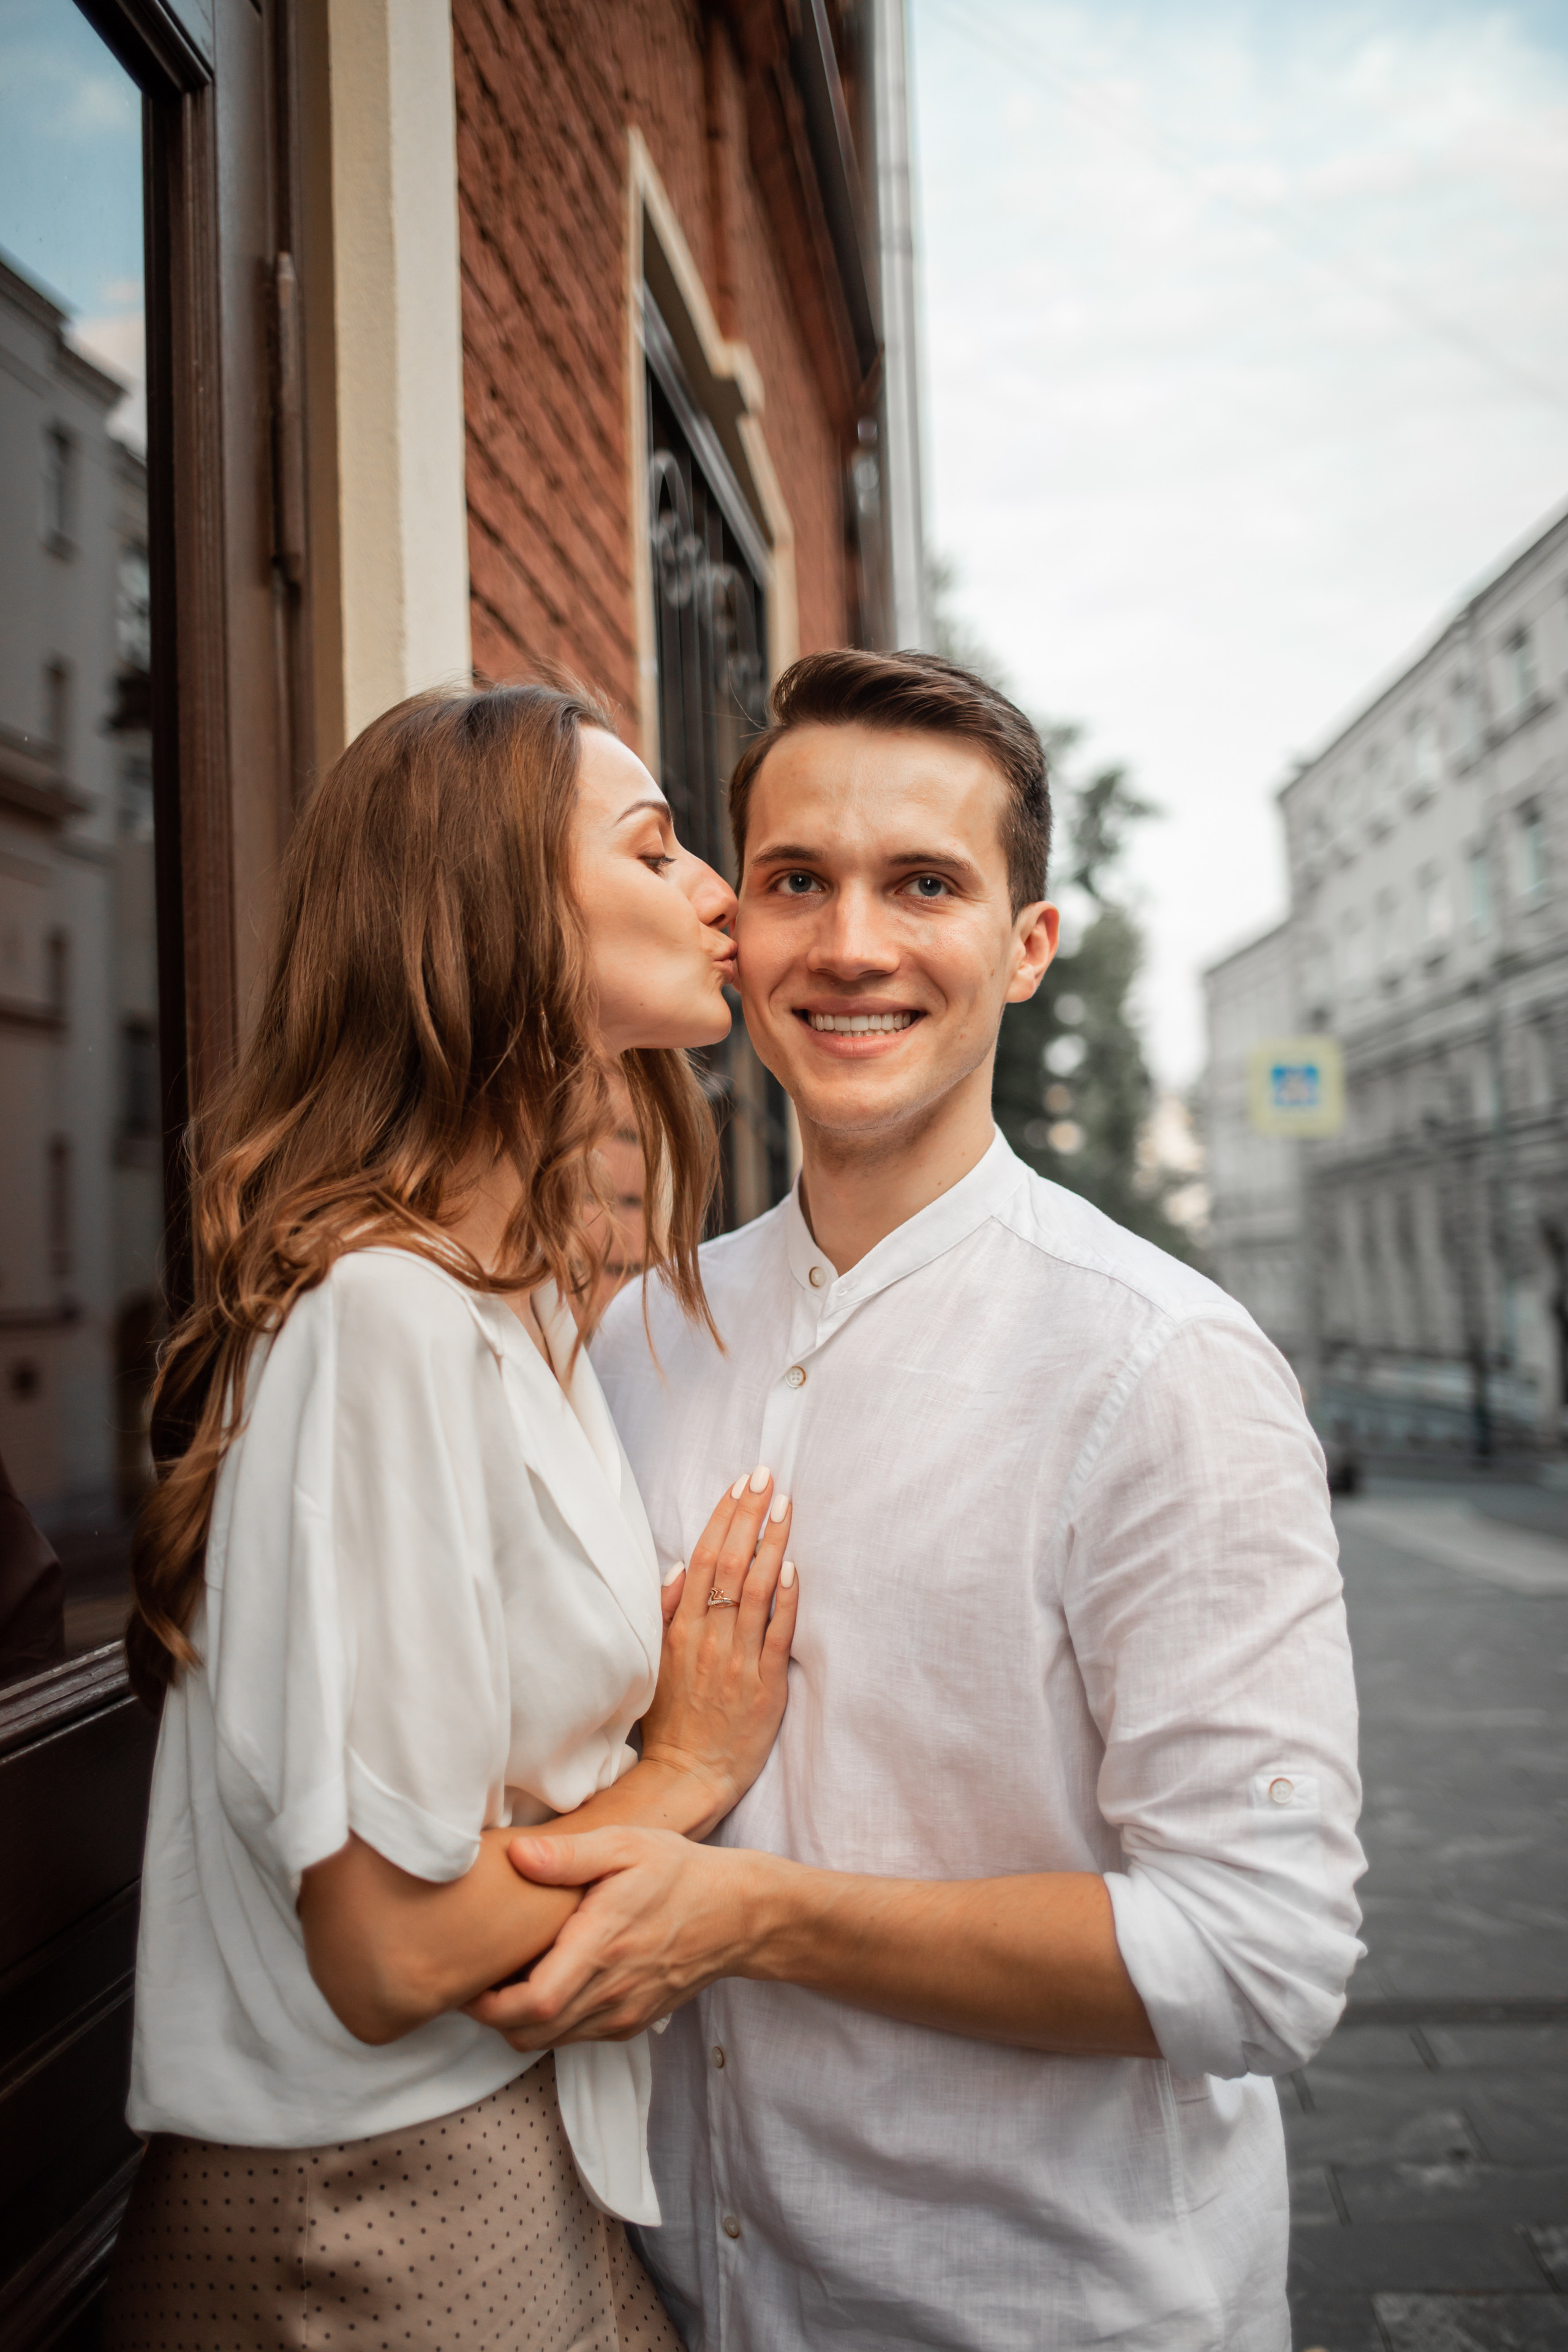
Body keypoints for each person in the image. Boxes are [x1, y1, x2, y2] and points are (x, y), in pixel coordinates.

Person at [473, 651, 1367, 2351]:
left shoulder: (1161, 1366)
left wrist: (762, 1919)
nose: (852, 943)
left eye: (926, 885)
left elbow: (1259, 1957)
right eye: (797, 880)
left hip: (1048, 2313)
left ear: (1028, 947)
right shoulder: (636, 1341)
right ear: (736, 926)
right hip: (679, 2304)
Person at [105, 684, 801, 2352]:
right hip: (368, 2213)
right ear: (494, 918)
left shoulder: (514, 1313)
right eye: (655, 850)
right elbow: (387, 1953)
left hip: (518, 2149)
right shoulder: (383, 1317)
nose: (720, 892)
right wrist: (687, 1769)